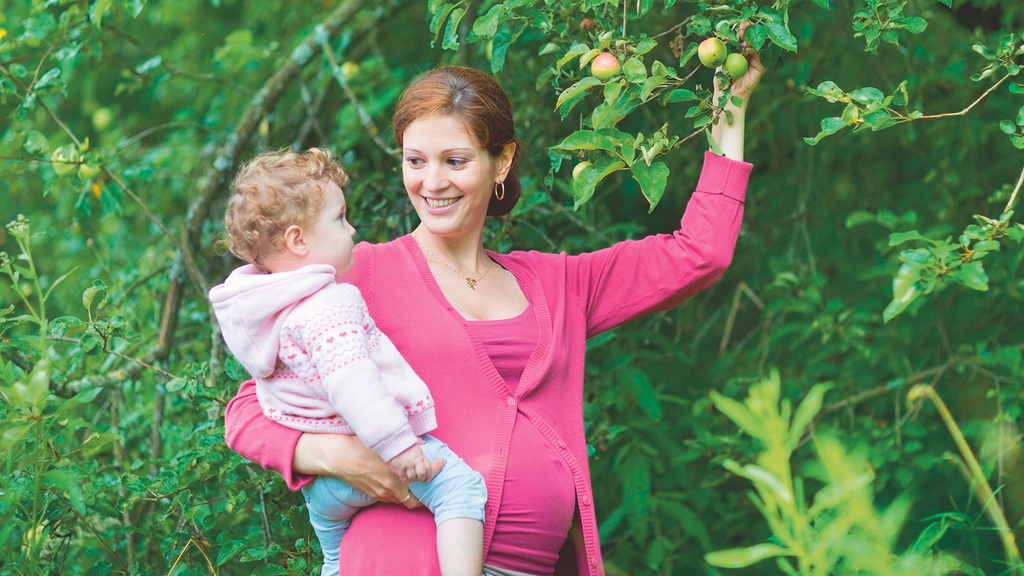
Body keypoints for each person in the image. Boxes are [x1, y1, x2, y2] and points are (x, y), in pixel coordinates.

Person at [224, 54, 763, 576]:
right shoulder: (355, 276)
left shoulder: (561, 284)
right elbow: (250, 411)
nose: (431, 182)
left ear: (500, 161)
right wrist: (339, 459)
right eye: (416, 161)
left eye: (454, 161)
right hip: (401, 556)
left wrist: (729, 112)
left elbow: (700, 253)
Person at [208, 148, 487, 576]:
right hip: (370, 453)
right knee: (461, 489)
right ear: (298, 240)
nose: (352, 228)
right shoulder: (328, 304)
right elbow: (352, 383)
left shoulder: (266, 310)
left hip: (321, 490)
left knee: (335, 559)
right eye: (340, 218)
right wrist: (401, 446)